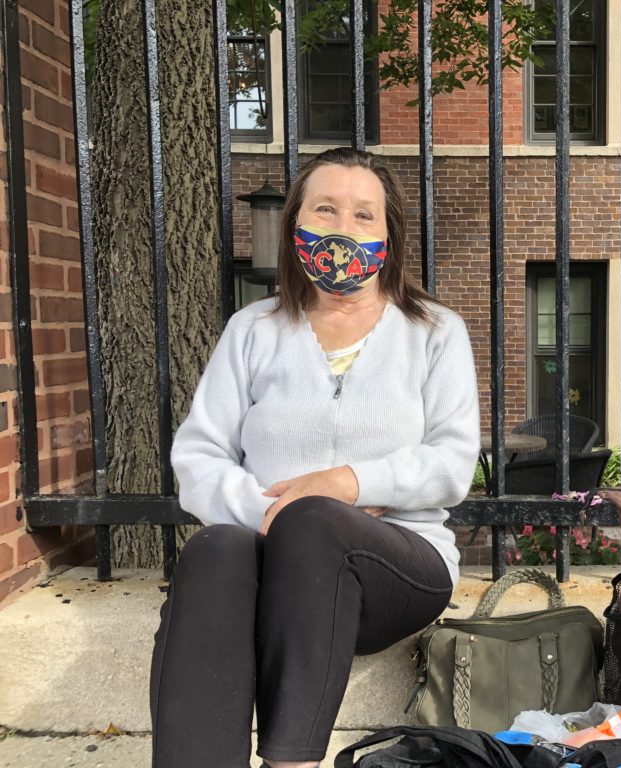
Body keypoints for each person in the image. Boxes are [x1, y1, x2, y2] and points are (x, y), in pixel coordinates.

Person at [151, 147, 480, 768]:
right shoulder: (253, 331)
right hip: (272, 558)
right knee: (214, 548)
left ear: (390, 233)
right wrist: (265, 509)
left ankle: (290, 762)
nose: (342, 228)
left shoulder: (436, 331)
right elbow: (199, 454)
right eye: (325, 209)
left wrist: (347, 483)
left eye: (363, 215)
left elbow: (453, 463)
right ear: (296, 225)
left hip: (398, 565)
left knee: (315, 519)